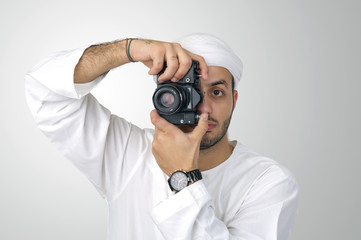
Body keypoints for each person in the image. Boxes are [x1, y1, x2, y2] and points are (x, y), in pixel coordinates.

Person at [25, 33, 299, 240]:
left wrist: (183, 177)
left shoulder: (268, 182)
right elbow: (45, 90)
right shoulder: (127, 153)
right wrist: (129, 49)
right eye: (187, 91)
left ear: (234, 100)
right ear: (165, 96)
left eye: (216, 92)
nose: (201, 107)